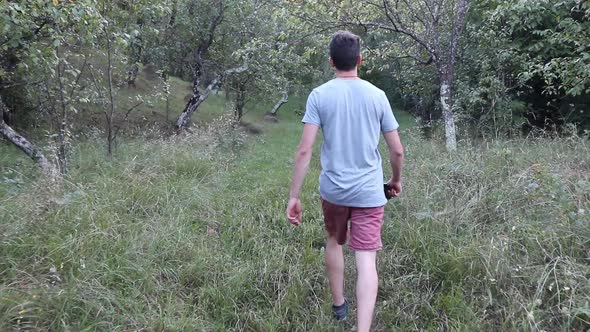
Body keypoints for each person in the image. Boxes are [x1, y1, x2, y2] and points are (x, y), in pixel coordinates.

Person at [286, 31, 404, 331]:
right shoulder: (377, 95)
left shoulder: (319, 95)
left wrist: (294, 195)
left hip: (334, 191)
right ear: (360, 61)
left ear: (331, 62)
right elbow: (397, 149)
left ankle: (339, 306)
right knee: (367, 261)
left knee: (334, 242)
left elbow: (304, 149)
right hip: (368, 192)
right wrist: (394, 179)